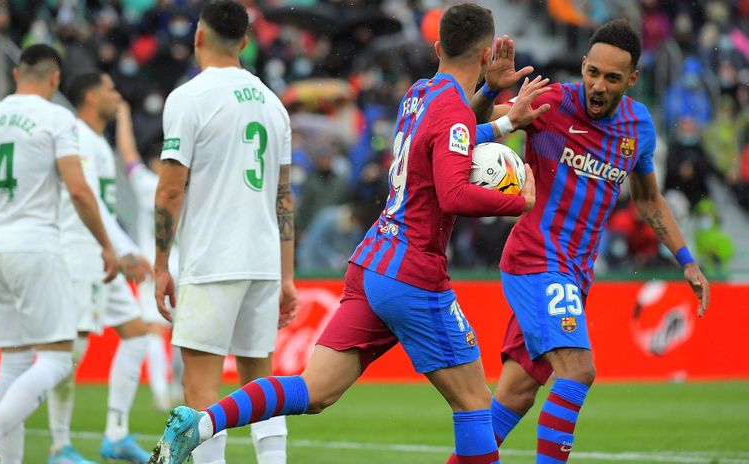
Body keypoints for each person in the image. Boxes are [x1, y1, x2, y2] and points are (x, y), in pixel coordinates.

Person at [149, 3, 550, 464]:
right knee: (476, 404)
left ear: (438, 47)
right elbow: (455, 191)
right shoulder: (452, 112)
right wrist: (518, 202)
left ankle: (202, 422)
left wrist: (501, 119)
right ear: (486, 55)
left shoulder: (419, 94)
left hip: (373, 263)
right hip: (414, 274)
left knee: (314, 391)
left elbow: (448, 137)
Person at [467, 19, 711, 463]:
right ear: (583, 65)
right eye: (592, 72)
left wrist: (687, 259)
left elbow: (649, 199)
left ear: (632, 79)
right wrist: (488, 91)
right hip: (537, 258)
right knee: (578, 371)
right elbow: (467, 129)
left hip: (574, 276)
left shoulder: (637, 127)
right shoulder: (549, 103)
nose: (598, 86)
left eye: (612, 78)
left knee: (516, 395)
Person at [0, 44, 119, 464]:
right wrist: (107, 245)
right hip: (36, 245)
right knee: (55, 358)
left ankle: (4, 458)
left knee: (15, 360)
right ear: (55, 80)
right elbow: (76, 188)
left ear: (17, 75)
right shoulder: (57, 118)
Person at [150, 1, 299, 462]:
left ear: (198, 37)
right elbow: (284, 198)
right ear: (245, 42)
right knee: (262, 388)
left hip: (213, 260)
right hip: (261, 262)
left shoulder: (190, 98)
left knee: (201, 391)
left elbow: (171, 190)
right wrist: (287, 276)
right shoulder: (274, 105)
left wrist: (160, 265)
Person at [47, 71, 154, 464]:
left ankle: (116, 435)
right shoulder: (77, 136)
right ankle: (59, 446)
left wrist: (120, 248)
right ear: (91, 95)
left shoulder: (96, 142)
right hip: (79, 253)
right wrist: (123, 250)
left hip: (101, 255)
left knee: (137, 333)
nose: (117, 96)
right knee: (70, 351)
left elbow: (102, 206)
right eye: (110, 90)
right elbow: (85, 197)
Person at [115, 102, 182, 413]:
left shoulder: (147, 184)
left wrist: (123, 115)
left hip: (157, 265)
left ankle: (160, 393)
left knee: (155, 330)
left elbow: (128, 154)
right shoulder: (188, 186)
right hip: (190, 265)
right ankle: (180, 388)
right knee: (186, 332)